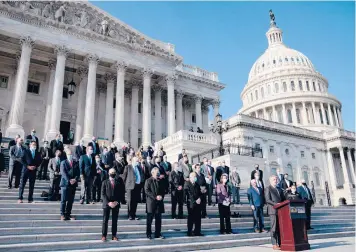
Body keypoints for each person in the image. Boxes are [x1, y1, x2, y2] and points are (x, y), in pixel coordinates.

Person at [101, 168, 125, 242]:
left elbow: (121, 193)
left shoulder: (118, 182)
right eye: (111, 172)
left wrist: (117, 202)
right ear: (108, 173)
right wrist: (109, 202)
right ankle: (104, 235)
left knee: (115, 220)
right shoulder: (105, 182)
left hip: (116, 204)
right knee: (105, 220)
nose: (113, 173)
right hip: (107, 204)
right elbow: (102, 194)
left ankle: (114, 235)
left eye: (114, 172)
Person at [265, 175, 285, 250]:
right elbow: (267, 199)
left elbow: (283, 199)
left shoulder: (279, 189)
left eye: (276, 179)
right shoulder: (268, 188)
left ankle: (281, 243)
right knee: (274, 228)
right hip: (273, 211)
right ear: (270, 181)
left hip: (281, 211)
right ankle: (274, 244)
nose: (275, 181)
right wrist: (275, 204)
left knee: (280, 228)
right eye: (274, 179)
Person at [145, 167, 165, 240]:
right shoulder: (148, 181)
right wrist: (155, 197)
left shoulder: (160, 181)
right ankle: (148, 234)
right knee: (149, 220)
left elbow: (163, 190)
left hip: (159, 203)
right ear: (152, 173)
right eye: (157, 173)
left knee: (158, 220)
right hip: (151, 203)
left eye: (158, 172)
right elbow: (147, 191)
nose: (158, 174)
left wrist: (161, 196)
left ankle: (158, 233)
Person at [59, 148, 79, 220]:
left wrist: (75, 179)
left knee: (70, 201)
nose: (70, 155)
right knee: (63, 200)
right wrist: (69, 180)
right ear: (66, 155)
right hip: (65, 184)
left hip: (73, 184)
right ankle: (62, 214)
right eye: (68, 154)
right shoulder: (63, 162)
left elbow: (78, 173)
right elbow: (63, 173)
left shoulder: (75, 162)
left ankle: (68, 214)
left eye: (71, 154)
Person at [185, 172, 203, 236]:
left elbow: (200, 193)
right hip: (191, 203)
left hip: (198, 204)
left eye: (196, 177)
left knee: (198, 218)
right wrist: (195, 200)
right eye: (194, 177)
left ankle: (197, 231)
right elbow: (189, 194)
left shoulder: (197, 185)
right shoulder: (187, 184)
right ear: (190, 177)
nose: (195, 178)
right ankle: (189, 231)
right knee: (191, 218)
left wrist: (199, 198)